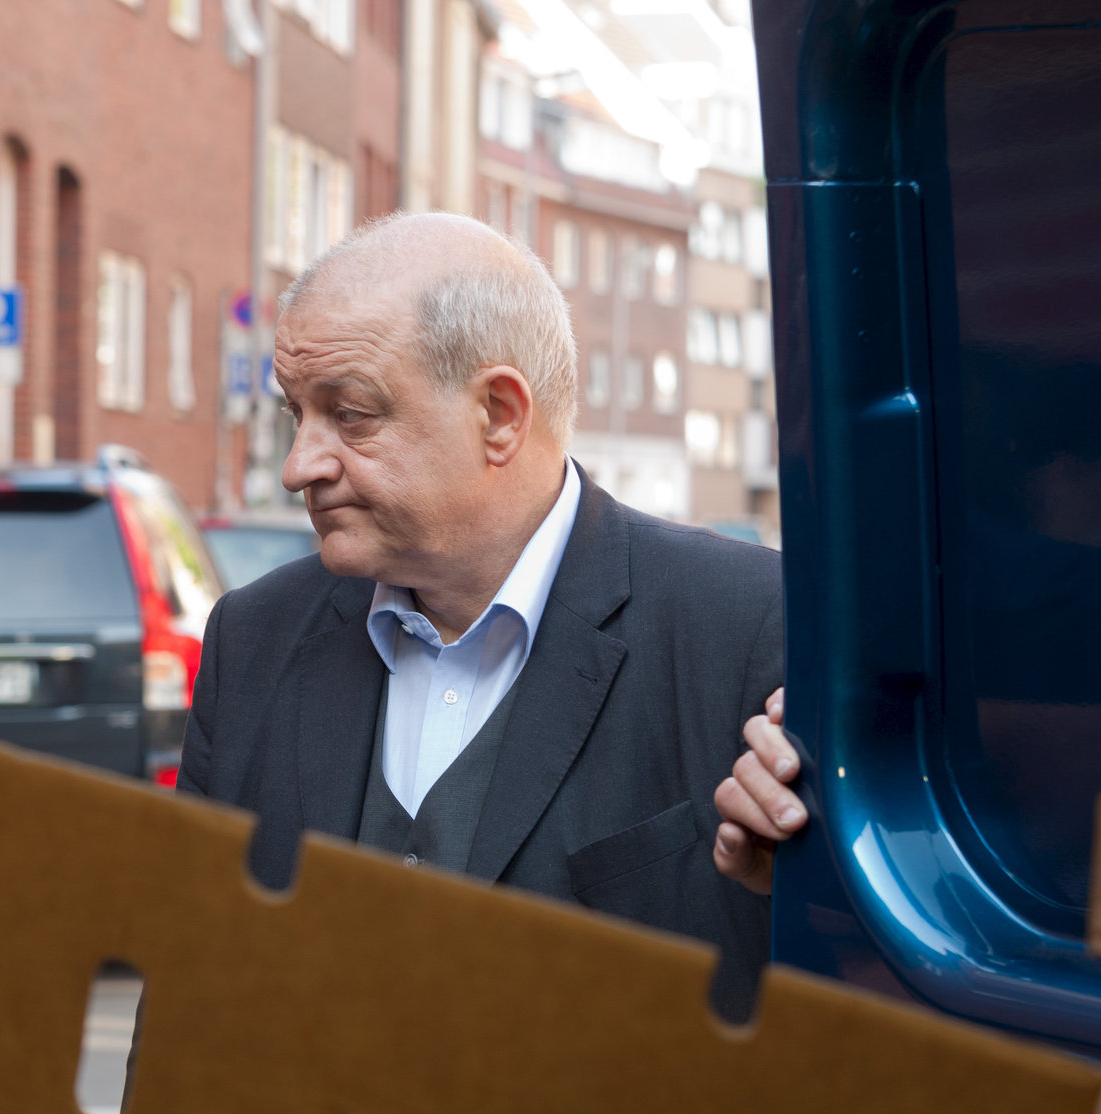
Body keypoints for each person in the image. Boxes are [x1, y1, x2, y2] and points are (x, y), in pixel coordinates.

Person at [178, 213, 787, 1018]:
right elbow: (187, 986)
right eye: (297, 414)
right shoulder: (253, 638)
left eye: (350, 414)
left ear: (500, 415)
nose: (300, 467)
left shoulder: (749, 629)